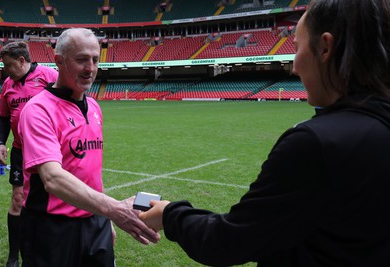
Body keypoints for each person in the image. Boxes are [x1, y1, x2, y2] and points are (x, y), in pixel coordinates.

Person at [139, 0, 390, 266]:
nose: (294, 67)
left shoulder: (317, 144)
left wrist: (170, 214)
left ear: (325, 47)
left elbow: (228, 241)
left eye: (297, 48)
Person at [18, 28, 160, 267]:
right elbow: (52, 178)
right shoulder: (38, 109)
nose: (91, 68)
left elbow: (91, 172)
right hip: (51, 228)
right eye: (82, 59)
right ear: (59, 61)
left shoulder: (93, 107)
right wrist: (114, 210)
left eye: (95, 59)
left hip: (96, 222)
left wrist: (106, 218)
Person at [0, 41, 58, 267]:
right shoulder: (8, 84)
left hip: (48, 152)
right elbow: (3, 116)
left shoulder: (49, 76)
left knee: (54, 198)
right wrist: (0, 142)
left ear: (22, 61)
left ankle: (52, 248)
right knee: (18, 199)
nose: (6, 71)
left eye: (10, 65)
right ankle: (14, 256)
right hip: (21, 151)